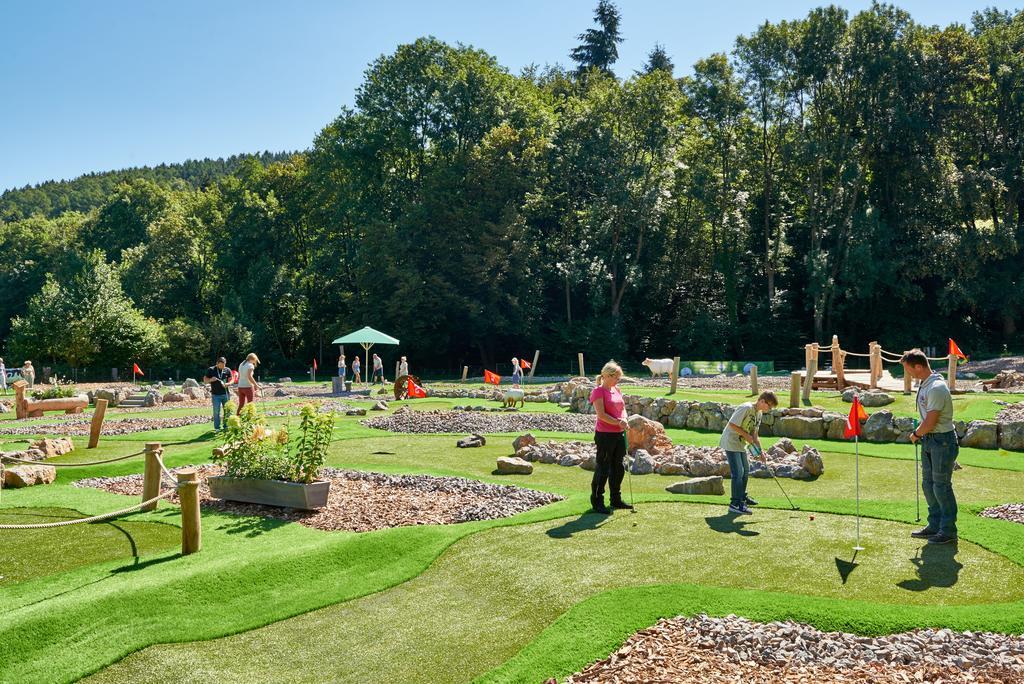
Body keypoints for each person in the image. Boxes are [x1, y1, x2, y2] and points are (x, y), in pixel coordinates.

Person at [903, 348, 958, 545]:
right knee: (928, 485)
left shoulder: (936, 387)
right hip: (929, 440)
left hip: (941, 441)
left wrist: (916, 434)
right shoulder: (926, 384)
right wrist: (921, 435)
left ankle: (948, 530)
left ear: (918, 366)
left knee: (941, 487)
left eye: (909, 370)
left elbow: (931, 421)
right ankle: (934, 526)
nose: (908, 374)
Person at [720, 391, 779, 516]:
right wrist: (746, 435)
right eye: (769, 406)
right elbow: (732, 424)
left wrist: (760, 452)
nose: (769, 409)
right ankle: (734, 504)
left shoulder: (759, 413)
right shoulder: (746, 408)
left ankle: (742, 497)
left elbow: (755, 436)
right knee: (738, 472)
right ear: (762, 401)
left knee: (746, 470)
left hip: (740, 444)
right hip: (731, 441)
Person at [588, 360, 632, 514]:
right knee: (603, 468)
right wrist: (618, 422)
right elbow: (601, 415)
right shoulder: (598, 392)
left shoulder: (617, 390)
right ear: (607, 376)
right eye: (616, 377)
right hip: (605, 435)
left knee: (618, 467)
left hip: (619, 434)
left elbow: (623, 409)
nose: (618, 380)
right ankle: (597, 501)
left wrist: (624, 419)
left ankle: (616, 499)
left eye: (619, 378)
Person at [203, 357, 232, 430]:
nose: (223, 367)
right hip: (215, 395)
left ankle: (226, 426)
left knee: (227, 411)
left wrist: (227, 384)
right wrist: (211, 380)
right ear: (217, 363)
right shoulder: (211, 369)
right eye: (221, 365)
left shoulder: (227, 370)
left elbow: (232, 380)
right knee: (216, 412)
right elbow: (205, 380)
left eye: (224, 365)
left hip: (226, 394)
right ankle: (217, 428)